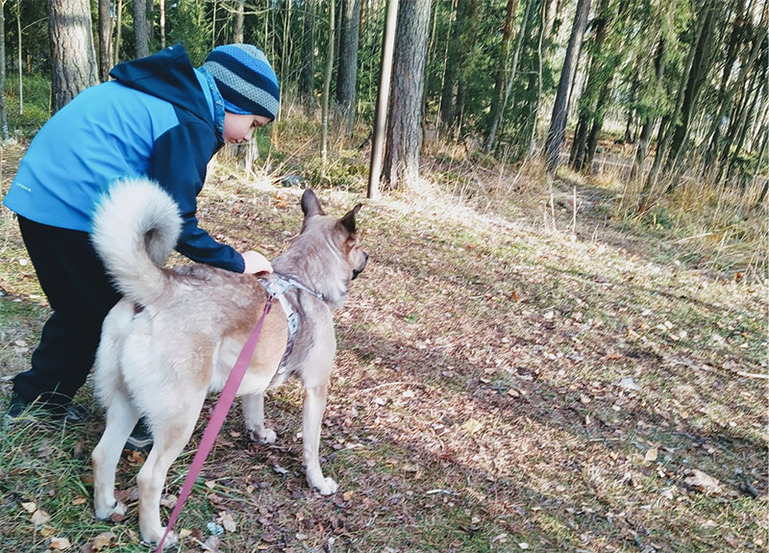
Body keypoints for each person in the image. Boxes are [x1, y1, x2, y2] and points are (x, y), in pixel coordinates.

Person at [2, 43, 279, 448]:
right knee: (115, 311)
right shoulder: (190, 121)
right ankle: (114, 414)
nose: (247, 137)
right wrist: (237, 262)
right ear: (233, 101)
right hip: (68, 208)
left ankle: (43, 398)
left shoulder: (170, 95)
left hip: (41, 196)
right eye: (253, 124)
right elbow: (180, 219)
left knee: (82, 307)